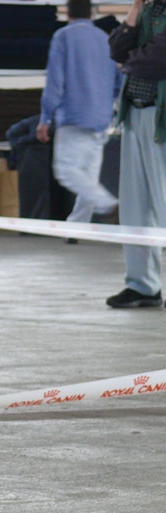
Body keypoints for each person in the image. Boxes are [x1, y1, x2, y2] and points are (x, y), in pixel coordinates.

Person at [36, 0, 122, 229]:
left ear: (68, 11)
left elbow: (55, 82)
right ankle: (76, 227)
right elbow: (118, 82)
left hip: (74, 116)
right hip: (101, 118)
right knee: (88, 176)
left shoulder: (63, 37)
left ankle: (110, 204)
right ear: (92, 12)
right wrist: (109, 107)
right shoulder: (104, 39)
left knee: (66, 171)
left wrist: (45, 118)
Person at [105, 0, 166, 308]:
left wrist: (128, 60)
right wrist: (134, 13)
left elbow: (157, 59)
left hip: (162, 121)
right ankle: (143, 285)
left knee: (165, 204)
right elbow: (116, 48)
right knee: (135, 207)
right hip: (135, 116)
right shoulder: (148, 10)